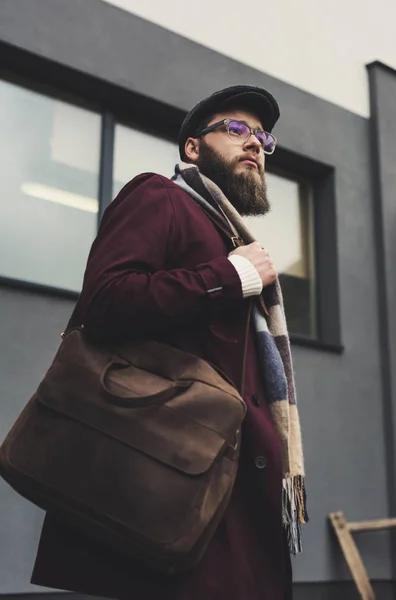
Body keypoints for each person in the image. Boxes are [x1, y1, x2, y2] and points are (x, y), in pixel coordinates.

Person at [31, 85, 307, 600]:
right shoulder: (159, 196)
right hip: (168, 481)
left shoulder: (232, 236)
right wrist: (230, 277)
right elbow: (106, 300)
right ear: (193, 149)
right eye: (236, 129)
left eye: (263, 137)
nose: (254, 143)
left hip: (232, 487)